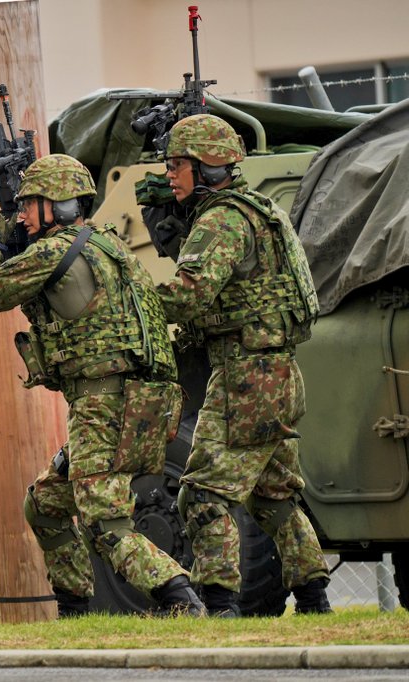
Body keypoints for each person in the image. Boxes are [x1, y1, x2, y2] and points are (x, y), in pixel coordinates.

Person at [0, 154, 205, 618]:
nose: (21, 215)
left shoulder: (55, 251)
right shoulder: (107, 246)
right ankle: (75, 612)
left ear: (55, 205)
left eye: (28, 205)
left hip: (104, 404)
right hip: (137, 402)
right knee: (47, 503)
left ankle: (180, 596)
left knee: (106, 522)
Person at [154, 114, 330, 616]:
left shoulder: (222, 219)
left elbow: (190, 295)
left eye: (178, 164)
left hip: (245, 379)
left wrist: (131, 300)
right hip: (276, 376)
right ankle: (315, 600)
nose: (170, 173)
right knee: (276, 496)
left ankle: (220, 606)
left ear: (209, 167)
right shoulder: (261, 210)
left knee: (203, 495)